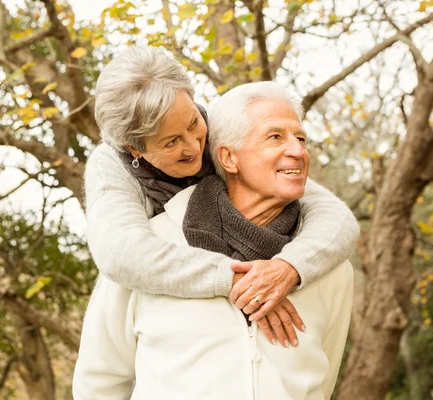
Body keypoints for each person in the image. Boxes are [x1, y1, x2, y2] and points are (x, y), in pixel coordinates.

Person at [73, 81, 354, 400]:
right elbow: (98, 382)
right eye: (275, 136)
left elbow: (323, 381)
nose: (298, 150)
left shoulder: (331, 267)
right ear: (228, 159)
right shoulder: (147, 250)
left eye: (301, 138)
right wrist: (230, 278)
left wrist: (290, 267)